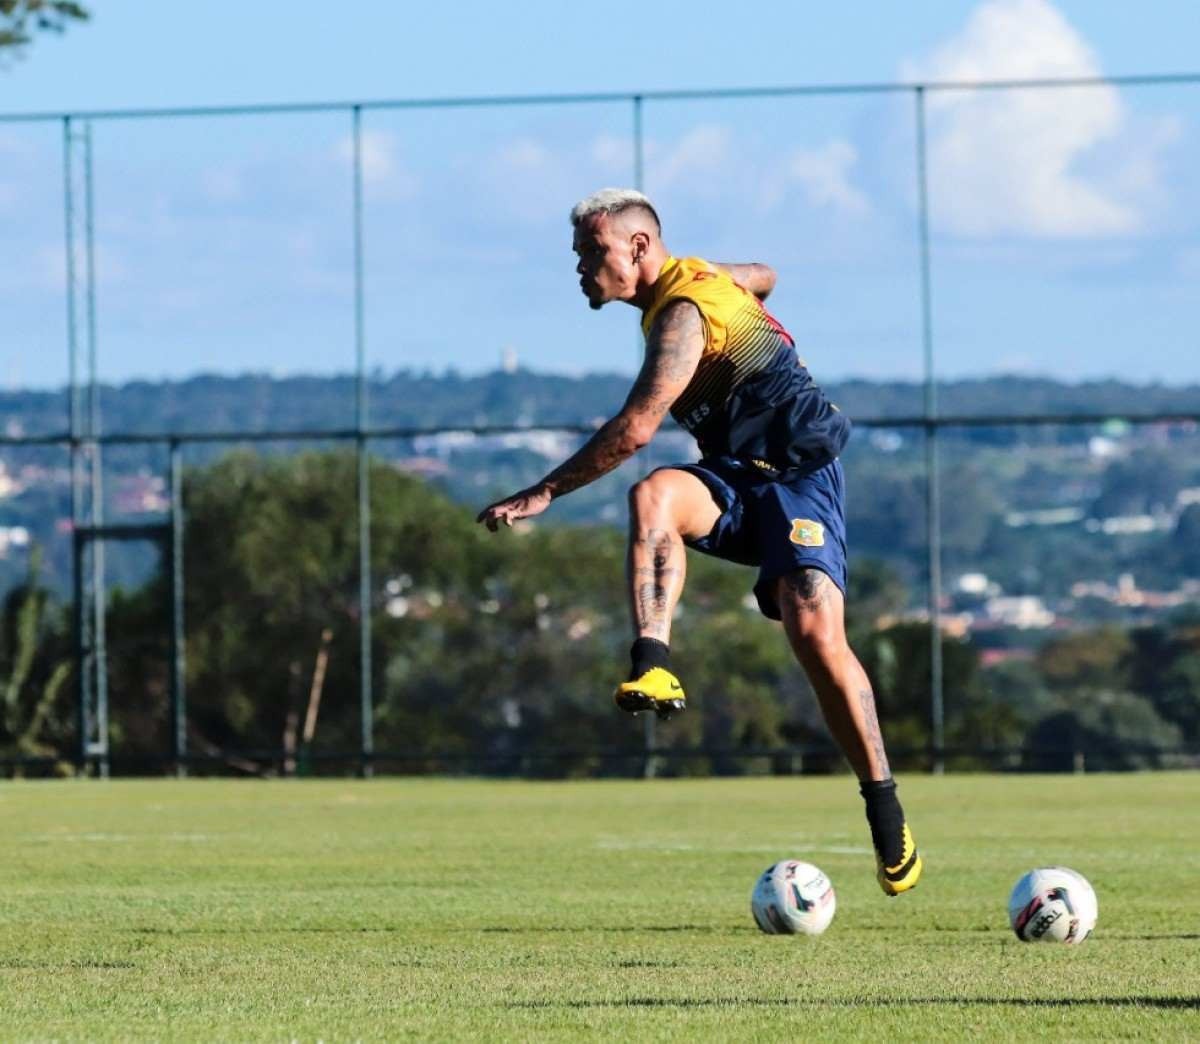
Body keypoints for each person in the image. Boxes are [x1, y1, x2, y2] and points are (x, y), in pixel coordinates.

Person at [477, 188, 921, 896]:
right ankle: (653, 662)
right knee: (653, 495)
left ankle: (884, 805)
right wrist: (736, 281)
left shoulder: (681, 319)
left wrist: (546, 491)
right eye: (579, 256)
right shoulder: (690, 286)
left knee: (814, 635)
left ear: (641, 249)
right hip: (734, 479)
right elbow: (766, 273)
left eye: (594, 253)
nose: (584, 268)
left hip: (801, 479)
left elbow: (634, 431)